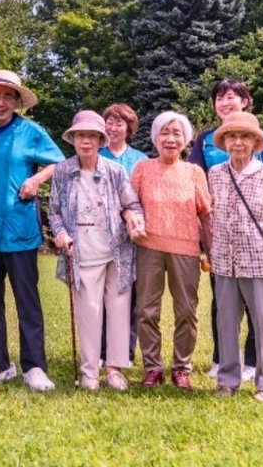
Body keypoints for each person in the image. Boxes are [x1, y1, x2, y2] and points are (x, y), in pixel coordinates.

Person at [0, 70, 65, 392]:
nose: (0, 102)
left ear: (16, 101)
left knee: (28, 302)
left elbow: (59, 163)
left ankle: (34, 366)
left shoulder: (31, 131)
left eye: (7, 96)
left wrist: (37, 180)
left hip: (19, 230)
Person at [187, 78, 263, 382]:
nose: (225, 102)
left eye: (231, 97)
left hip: (257, 242)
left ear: (245, 101)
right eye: (219, 98)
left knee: (260, 308)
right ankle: (223, 361)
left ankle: (254, 363)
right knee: (224, 304)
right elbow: (196, 181)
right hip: (222, 238)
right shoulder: (205, 140)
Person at [48, 110, 146, 391]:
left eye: (92, 136)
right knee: (89, 312)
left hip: (116, 252)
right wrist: (61, 233)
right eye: (81, 135)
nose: (86, 141)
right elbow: (54, 212)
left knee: (118, 310)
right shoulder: (63, 171)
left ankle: (115, 369)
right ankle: (90, 371)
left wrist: (132, 217)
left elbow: (132, 204)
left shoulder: (115, 171)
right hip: (82, 253)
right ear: (73, 139)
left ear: (101, 140)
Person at [208, 111, 263, 402]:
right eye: (232, 136)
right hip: (224, 261)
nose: (237, 142)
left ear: (256, 142)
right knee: (226, 323)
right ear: (224, 142)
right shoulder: (216, 174)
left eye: (244, 136)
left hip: (261, 260)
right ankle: (228, 380)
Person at [131, 111, 210, 391]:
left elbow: (205, 213)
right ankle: (153, 367)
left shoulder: (194, 172)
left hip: (186, 249)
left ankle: (181, 368)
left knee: (187, 311)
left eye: (177, 133)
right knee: (147, 311)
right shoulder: (142, 169)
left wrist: (210, 250)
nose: (171, 138)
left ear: (185, 139)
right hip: (148, 247)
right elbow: (130, 204)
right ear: (155, 137)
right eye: (165, 132)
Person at [98, 103, 148, 364]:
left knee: (130, 296)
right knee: (104, 295)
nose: (113, 127)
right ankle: (102, 351)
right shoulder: (95, 155)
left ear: (129, 128)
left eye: (119, 123)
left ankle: (126, 352)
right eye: (109, 122)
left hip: (132, 237)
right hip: (102, 236)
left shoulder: (140, 160)